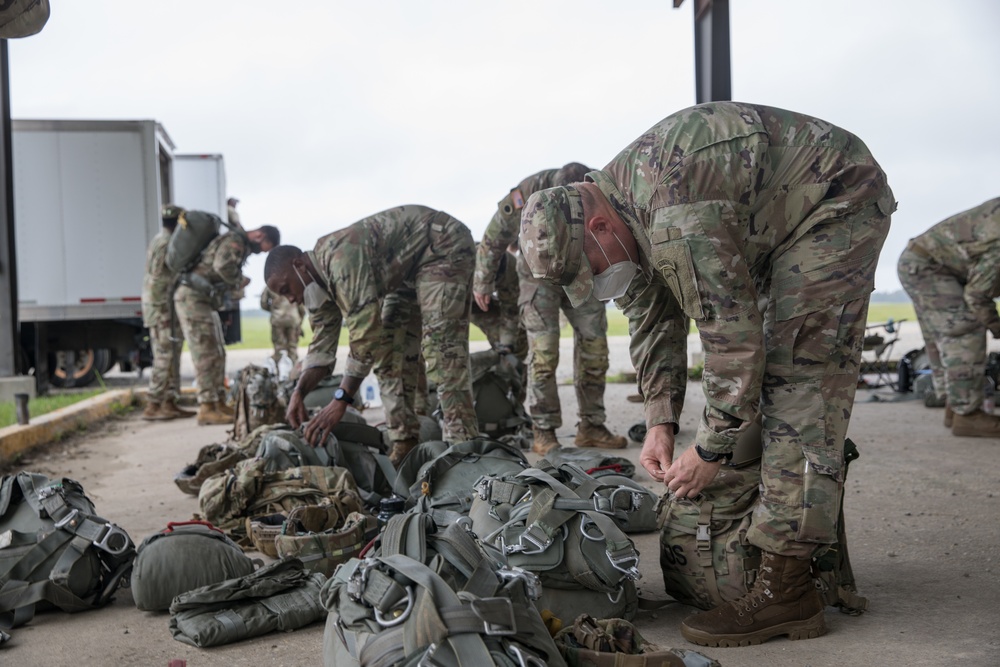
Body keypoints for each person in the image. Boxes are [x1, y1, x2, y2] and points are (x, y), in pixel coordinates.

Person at [519, 101, 894, 647]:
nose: (598, 282)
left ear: (597, 226)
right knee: (768, 382)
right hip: (775, 222)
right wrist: (661, 422)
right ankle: (782, 547)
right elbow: (652, 318)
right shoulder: (625, 213)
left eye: (592, 269)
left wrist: (712, 449)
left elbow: (732, 340)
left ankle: (787, 589)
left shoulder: (674, 213)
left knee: (799, 382)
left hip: (834, 203)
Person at [264, 205, 479, 464]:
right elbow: (321, 349)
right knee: (390, 354)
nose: (291, 299)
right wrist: (299, 392)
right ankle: (405, 441)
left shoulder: (340, 260)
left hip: (442, 247)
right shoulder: (317, 287)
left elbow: (365, 335)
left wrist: (341, 398)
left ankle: (464, 450)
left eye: (287, 288)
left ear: (298, 264)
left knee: (442, 349)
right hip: (404, 276)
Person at [474, 164, 626, 455]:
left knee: (595, 345)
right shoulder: (529, 190)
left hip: (583, 267)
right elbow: (494, 236)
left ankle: (591, 426)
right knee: (544, 351)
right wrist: (482, 281)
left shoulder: (602, 185)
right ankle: (543, 430)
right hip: (538, 275)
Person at [898, 197, 1000, 437]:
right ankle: (967, 415)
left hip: (925, 264)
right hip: (928, 268)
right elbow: (978, 295)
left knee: (943, 336)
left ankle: (953, 406)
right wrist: (997, 327)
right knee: (964, 329)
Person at [172, 209, 280, 425]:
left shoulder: (238, 241)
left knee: (217, 352)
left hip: (203, 299)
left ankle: (217, 401)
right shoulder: (235, 241)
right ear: (259, 236)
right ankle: (206, 407)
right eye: (261, 249)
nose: (258, 252)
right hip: (192, 298)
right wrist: (239, 280)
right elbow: (222, 266)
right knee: (205, 352)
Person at [140, 205, 195, 421]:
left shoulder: (161, 239)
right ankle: (153, 404)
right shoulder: (165, 243)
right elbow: (160, 276)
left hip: (163, 305)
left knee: (172, 353)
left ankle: (169, 402)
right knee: (165, 354)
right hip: (161, 305)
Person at [260, 286, 305, 365]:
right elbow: (300, 304)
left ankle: (280, 370)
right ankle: (292, 369)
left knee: (279, 346)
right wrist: (300, 319)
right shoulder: (293, 283)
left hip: (277, 319)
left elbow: (263, 303)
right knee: (292, 346)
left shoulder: (270, 284)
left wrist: (273, 309)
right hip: (293, 319)